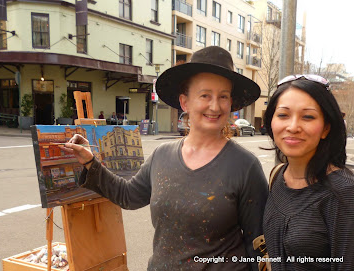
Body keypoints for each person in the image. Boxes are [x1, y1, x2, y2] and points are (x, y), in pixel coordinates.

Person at [61, 46, 268, 270]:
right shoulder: (162, 155)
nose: (215, 105)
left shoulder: (245, 167)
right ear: (185, 102)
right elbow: (128, 195)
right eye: (205, 95)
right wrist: (90, 162)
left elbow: (257, 246)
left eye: (223, 96)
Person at [262, 74, 354, 270]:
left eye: (308, 117)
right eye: (283, 115)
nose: (293, 127)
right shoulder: (278, 176)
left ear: (326, 128)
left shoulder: (344, 193)